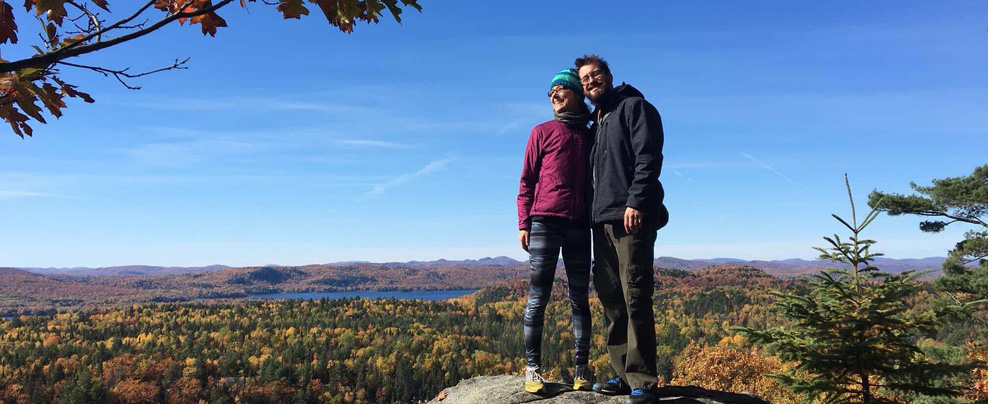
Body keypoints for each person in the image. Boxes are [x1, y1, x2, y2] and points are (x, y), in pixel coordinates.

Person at [576, 54, 669, 404]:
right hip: (600, 223)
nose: (590, 82)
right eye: (584, 80)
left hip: (631, 219)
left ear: (609, 76)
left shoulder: (635, 108)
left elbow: (648, 158)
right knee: (612, 299)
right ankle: (621, 374)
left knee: (636, 297)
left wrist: (636, 201)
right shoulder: (597, 121)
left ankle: (643, 381)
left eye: (595, 75)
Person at [516, 68, 595, 394]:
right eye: (550, 93)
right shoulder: (541, 132)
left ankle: (582, 369)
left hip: (580, 224)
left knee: (580, 299)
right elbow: (527, 180)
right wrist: (523, 222)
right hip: (544, 221)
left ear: (577, 93)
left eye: (560, 89)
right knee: (538, 298)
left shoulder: (592, 133)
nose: (554, 96)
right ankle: (532, 368)